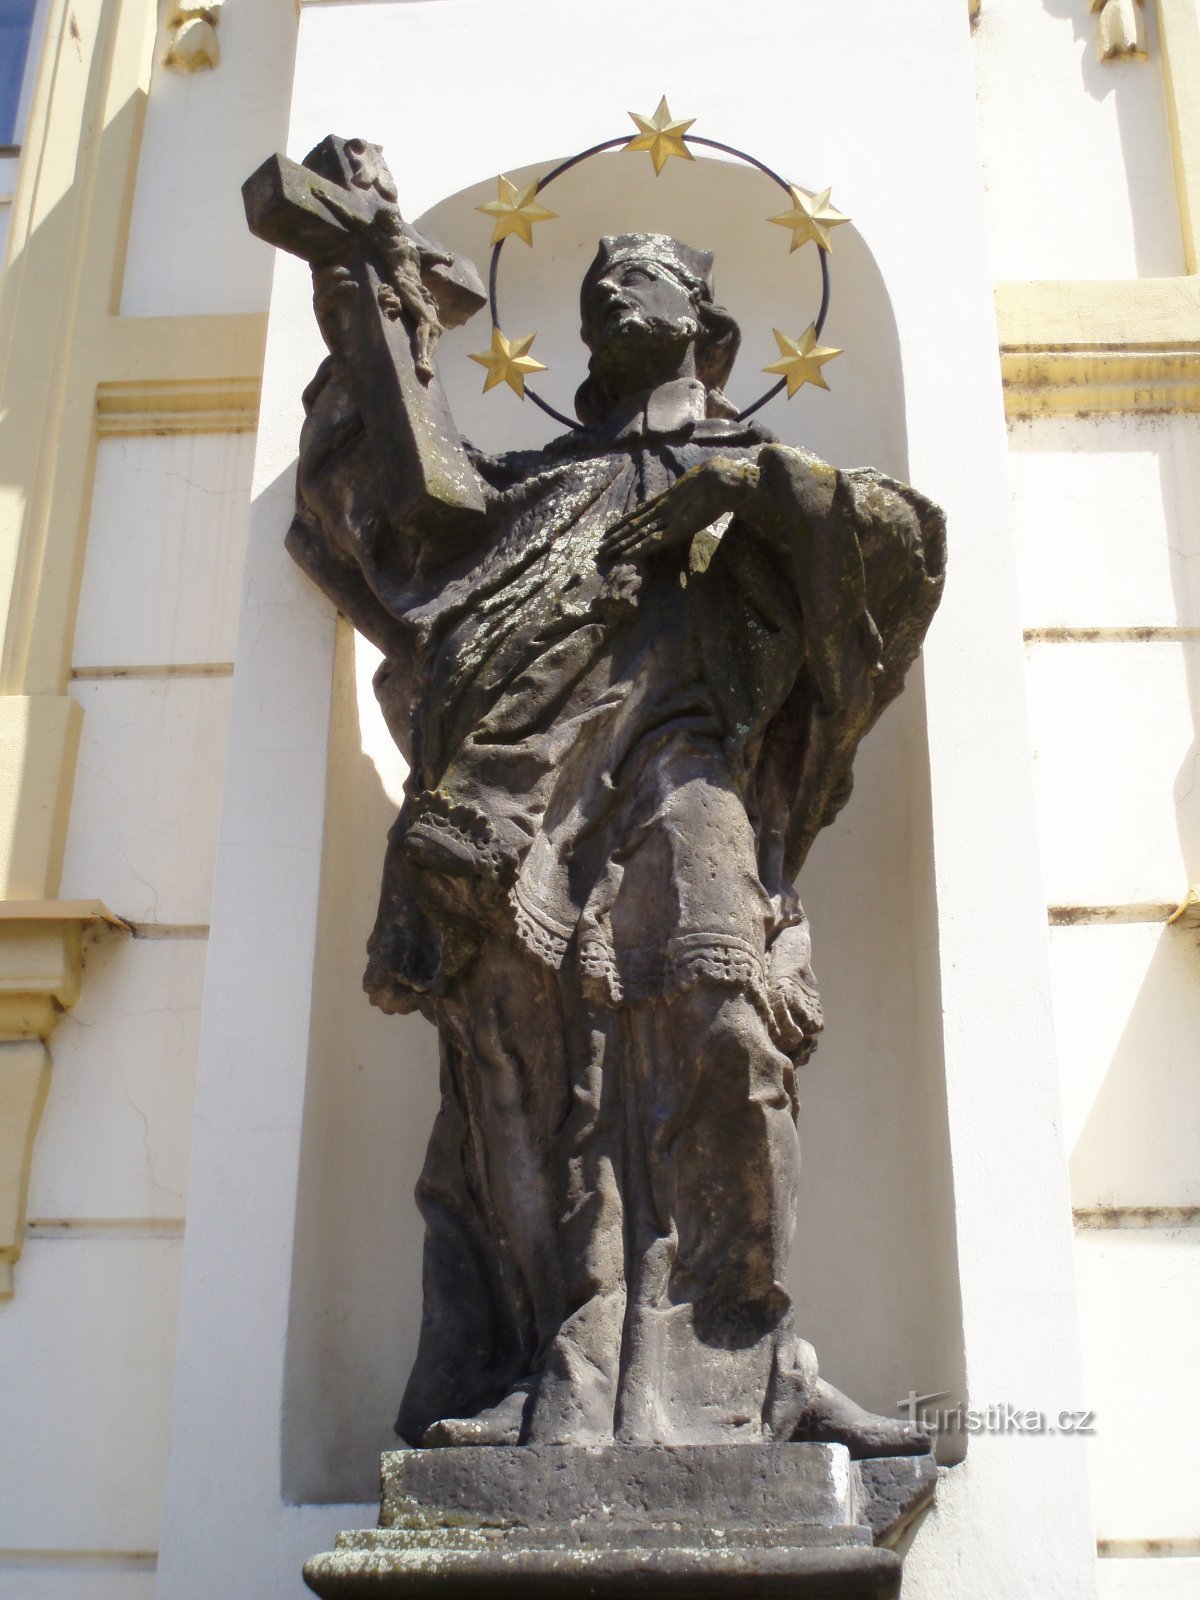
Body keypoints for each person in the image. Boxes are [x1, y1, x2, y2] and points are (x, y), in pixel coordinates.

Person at [287, 225, 945, 1453]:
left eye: (637, 273)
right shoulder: (550, 484)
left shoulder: (755, 464)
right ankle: (565, 1376)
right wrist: (369, 314)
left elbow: (897, 558)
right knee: (541, 1081)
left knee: (727, 1030)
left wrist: (745, 487)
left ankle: (750, 1373)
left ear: (706, 318)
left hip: (690, 778)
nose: (606, 290)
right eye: (591, 286)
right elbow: (414, 542)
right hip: (541, 807)